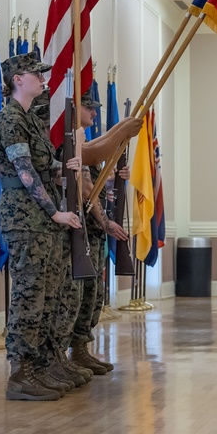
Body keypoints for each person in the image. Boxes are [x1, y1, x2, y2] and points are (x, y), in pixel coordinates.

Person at [0, 53, 83, 401]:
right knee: (28, 296)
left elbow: (42, 167)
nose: (43, 80)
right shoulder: (11, 119)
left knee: (46, 295)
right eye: (36, 74)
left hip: (40, 219)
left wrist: (64, 165)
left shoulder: (30, 119)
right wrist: (55, 212)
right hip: (24, 217)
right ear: (17, 79)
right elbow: (25, 172)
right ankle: (20, 372)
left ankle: (43, 365)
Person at [64, 94, 131, 377]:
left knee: (94, 294)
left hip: (93, 230)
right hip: (83, 228)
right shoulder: (71, 140)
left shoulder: (85, 143)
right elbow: (85, 188)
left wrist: (117, 177)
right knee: (80, 294)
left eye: (95, 108)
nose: (94, 112)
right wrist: (105, 222)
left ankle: (82, 350)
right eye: (89, 107)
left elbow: (96, 183)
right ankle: (73, 352)